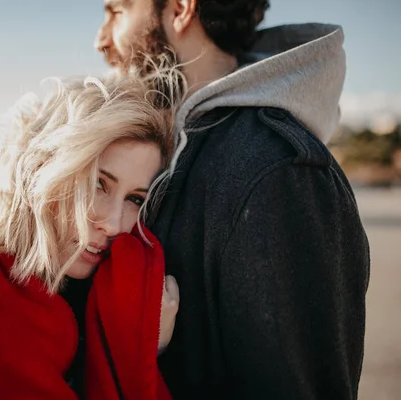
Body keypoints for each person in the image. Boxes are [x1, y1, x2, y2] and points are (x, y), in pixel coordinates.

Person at [94, 0, 370, 399]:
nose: (101, 40)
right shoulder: (155, 153)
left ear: (181, 8)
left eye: (117, 11)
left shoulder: (279, 173)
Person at [0, 73, 180, 399]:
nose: (113, 224)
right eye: (98, 184)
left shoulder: (80, 282)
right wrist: (142, 347)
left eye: (135, 199)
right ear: (47, 167)